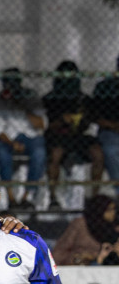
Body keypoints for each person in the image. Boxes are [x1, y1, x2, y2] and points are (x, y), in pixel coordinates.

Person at [0, 68, 47, 203]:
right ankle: (11, 197)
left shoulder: (31, 96)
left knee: (39, 153)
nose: (12, 88)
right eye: (8, 83)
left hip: (31, 136)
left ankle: (27, 196)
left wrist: (23, 106)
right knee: (2, 154)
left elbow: (41, 124)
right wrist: (12, 144)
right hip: (8, 138)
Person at [42, 61, 101, 194]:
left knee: (97, 152)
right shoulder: (50, 98)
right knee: (56, 154)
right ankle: (53, 195)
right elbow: (45, 126)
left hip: (78, 136)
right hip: (58, 136)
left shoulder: (83, 98)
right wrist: (62, 120)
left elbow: (93, 120)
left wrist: (81, 119)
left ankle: (95, 195)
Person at [51, 194, 118, 267]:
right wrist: (77, 258)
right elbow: (61, 249)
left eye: (114, 209)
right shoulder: (80, 224)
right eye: (109, 210)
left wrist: (95, 256)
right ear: (100, 209)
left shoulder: (114, 229)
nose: (113, 213)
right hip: (76, 265)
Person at [89, 53, 119, 185]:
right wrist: (113, 125)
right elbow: (94, 116)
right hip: (110, 131)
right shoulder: (104, 87)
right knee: (110, 150)